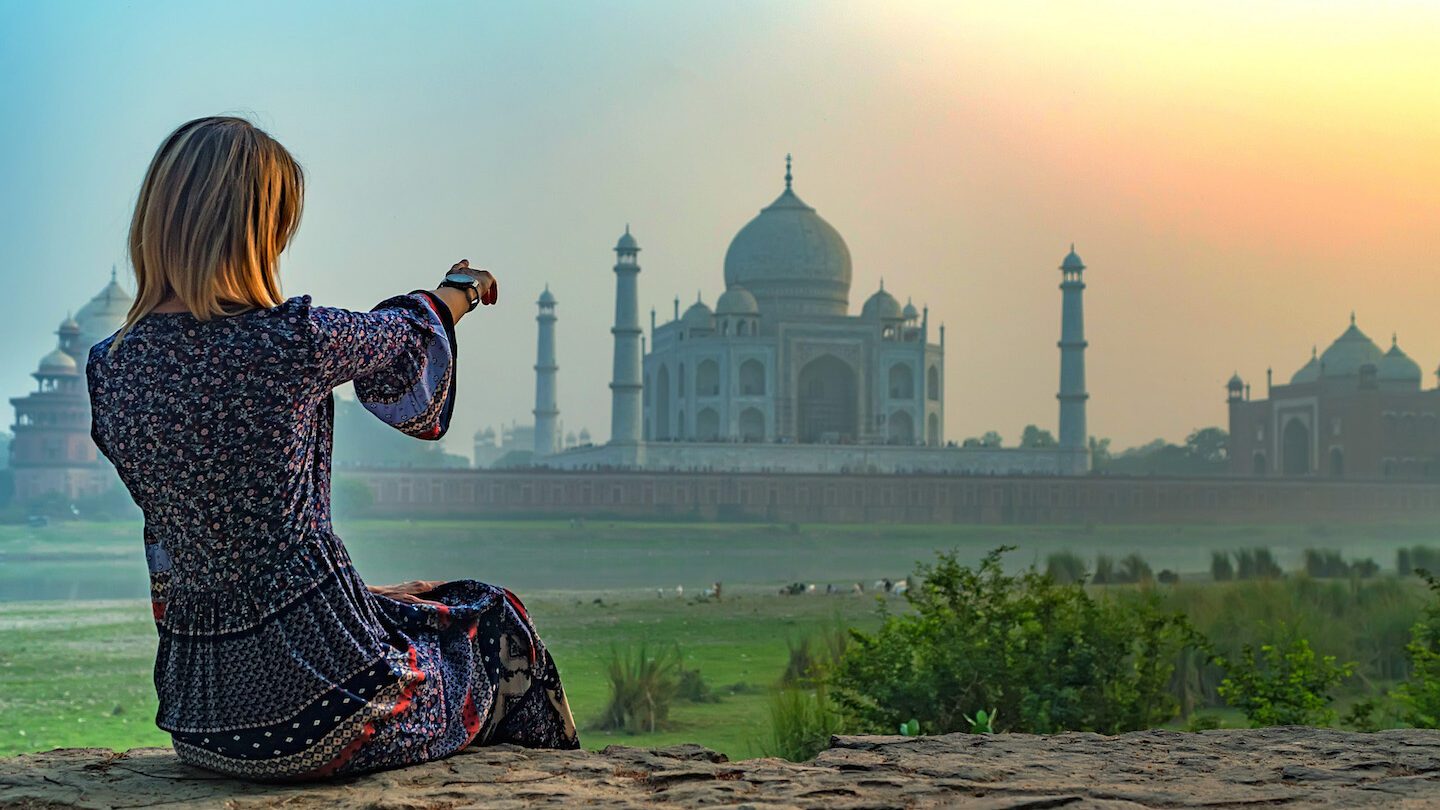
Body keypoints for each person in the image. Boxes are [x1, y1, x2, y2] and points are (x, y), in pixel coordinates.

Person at [86, 116, 578, 781]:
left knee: (417, 606)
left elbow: (206, 547)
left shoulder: (111, 367)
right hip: (328, 707)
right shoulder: (290, 341)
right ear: (257, 230)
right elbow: (405, 334)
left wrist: (362, 597)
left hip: (203, 722)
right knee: (494, 622)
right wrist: (461, 289)